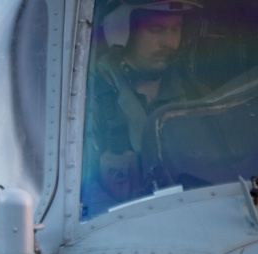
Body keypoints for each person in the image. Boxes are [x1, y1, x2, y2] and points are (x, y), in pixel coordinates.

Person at [84, 0, 206, 208]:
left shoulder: (191, 88)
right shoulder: (92, 93)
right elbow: (84, 191)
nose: (169, 42)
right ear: (121, 32)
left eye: (175, 29)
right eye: (156, 29)